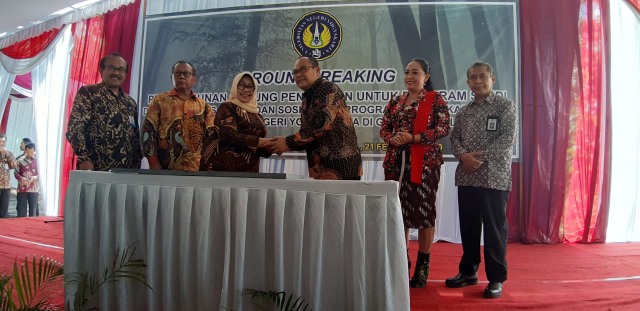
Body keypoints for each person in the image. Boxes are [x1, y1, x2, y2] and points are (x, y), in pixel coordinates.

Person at [445, 61, 518, 298]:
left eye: (482, 76)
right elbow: (454, 140)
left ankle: (496, 278)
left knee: (495, 230)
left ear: (492, 79)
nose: (478, 81)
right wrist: (463, 157)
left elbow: (507, 140)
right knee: (469, 228)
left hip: (494, 177)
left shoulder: (505, 106)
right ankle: (468, 272)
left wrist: (477, 158)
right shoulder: (463, 111)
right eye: (473, 78)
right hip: (466, 177)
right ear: (468, 83)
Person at [379, 58, 450, 288]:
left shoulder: (434, 100)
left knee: (423, 212)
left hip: (424, 164)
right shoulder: (396, 101)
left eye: (415, 72)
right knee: (399, 212)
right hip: (396, 163)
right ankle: (402, 260)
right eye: (407, 72)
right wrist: (393, 138)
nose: (410, 76)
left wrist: (414, 138)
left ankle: (423, 265)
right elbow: (384, 126)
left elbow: (443, 127)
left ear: (426, 77)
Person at [265, 56, 362, 180]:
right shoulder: (307, 98)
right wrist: (278, 145)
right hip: (320, 167)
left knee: (338, 200)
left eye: (303, 69)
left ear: (317, 71)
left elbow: (320, 125)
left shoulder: (327, 88)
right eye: (295, 72)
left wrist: (287, 142)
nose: (298, 75)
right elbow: (308, 136)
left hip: (341, 166)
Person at [66, 52, 143, 171]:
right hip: (94, 169)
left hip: (126, 173)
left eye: (121, 69)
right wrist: (84, 158)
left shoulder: (130, 103)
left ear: (125, 74)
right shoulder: (89, 93)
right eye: (112, 68)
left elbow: (135, 136)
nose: (116, 73)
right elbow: (75, 128)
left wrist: (137, 164)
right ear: (102, 71)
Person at [142, 60, 215, 171]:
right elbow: (148, 132)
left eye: (186, 73)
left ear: (194, 80)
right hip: (164, 168)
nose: (181, 76)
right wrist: (153, 162)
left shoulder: (204, 107)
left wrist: (208, 165)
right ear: (172, 77)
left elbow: (211, 138)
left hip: (197, 170)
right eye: (177, 73)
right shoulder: (160, 101)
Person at [200, 72, 271, 172]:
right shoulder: (227, 107)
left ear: (254, 90)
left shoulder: (258, 115)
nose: (246, 89)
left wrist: (271, 146)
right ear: (234, 87)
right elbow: (227, 135)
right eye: (241, 85)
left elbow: (258, 147)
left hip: (250, 172)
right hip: (225, 171)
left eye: (250, 86)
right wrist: (259, 142)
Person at [14, 142, 39, 217]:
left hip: (34, 188)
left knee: (33, 210)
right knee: (21, 210)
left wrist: (36, 177)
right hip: (22, 188)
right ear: (25, 151)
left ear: (34, 150)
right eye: (28, 152)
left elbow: (43, 173)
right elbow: (16, 172)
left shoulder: (39, 160)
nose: (29, 154)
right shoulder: (19, 160)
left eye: (31, 152)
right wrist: (21, 178)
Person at [0, 134, 16, 218]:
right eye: (0, 141)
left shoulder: (9, 153)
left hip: (6, 185)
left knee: (4, 207)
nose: (2, 143)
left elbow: (13, 166)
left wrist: (7, 155)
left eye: (3, 142)